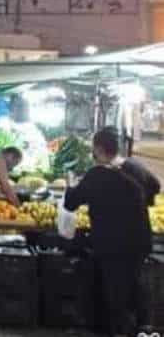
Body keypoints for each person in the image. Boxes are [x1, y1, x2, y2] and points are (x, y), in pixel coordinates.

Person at [64, 128, 160, 337]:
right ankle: (145, 328)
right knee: (134, 284)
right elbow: (155, 186)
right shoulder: (134, 166)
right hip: (140, 239)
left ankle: (121, 331)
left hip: (112, 243)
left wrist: (71, 185)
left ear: (98, 148)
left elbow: (71, 203)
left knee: (116, 294)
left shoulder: (97, 174)